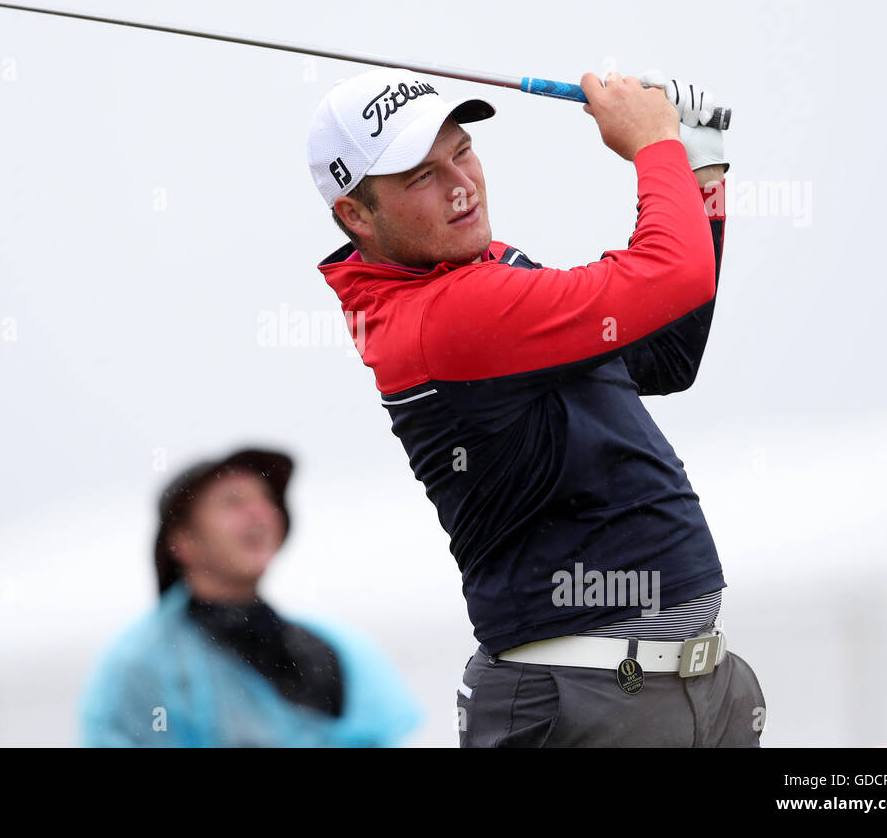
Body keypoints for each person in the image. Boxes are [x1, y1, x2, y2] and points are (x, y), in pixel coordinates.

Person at [306, 66, 766, 747]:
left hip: (681, 687)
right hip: (588, 703)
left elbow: (665, 356)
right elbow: (674, 272)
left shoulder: (484, 276)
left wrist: (699, 174)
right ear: (355, 214)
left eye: (461, 151)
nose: (461, 183)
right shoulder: (447, 315)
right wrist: (654, 147)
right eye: (420, 176)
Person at [78, 447, 421, 747]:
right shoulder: (143, 664)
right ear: (182, 540)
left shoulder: (333, 648)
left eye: (266, 500)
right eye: (234, 502)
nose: (259, 513)